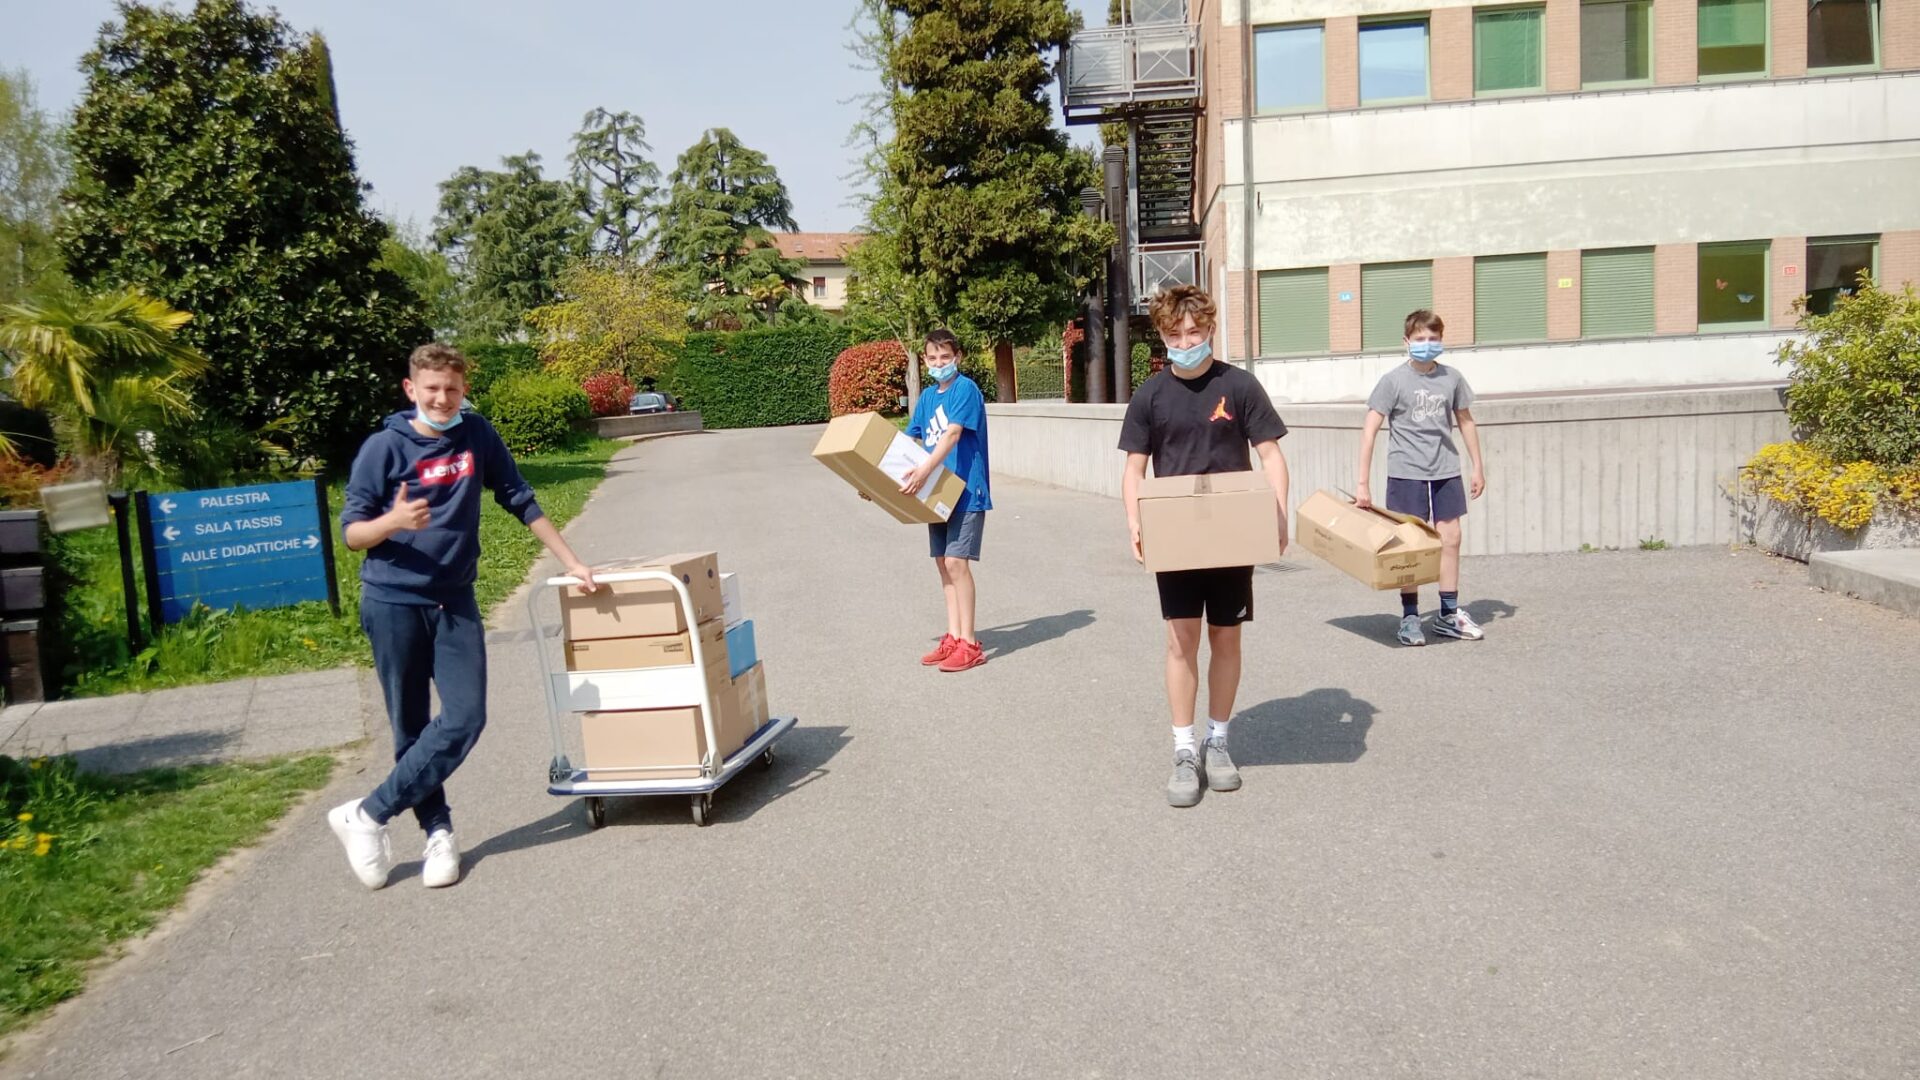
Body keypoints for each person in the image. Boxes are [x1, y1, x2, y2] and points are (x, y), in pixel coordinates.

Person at [328, 343, 599, 890]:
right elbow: (352, 533)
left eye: (452, 388)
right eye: (431, 389)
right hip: (392, 602)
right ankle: (438, 833)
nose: (442, 398)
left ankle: (366, 815)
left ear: (462, 388)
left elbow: (519, 496)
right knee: (409, 726)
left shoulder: (476, 435)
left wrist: (572, 562)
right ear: (411, 390)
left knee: (465, 717)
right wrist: (395, 520)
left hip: (454, 599)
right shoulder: (383, 448)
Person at [1119, 286, 1290, 808]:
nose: (1185, 341)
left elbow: (1270, 456)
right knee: (1180, 642)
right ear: (1163, 337)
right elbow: (1134, 468)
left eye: (1194, 332)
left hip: (1233, 534)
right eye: (1175, 334)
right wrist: (1136, 521)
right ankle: (1184, 748)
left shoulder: (1238, 386)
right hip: (1177, 536)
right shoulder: (1150, 395)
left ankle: (1218, 739)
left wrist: (1277, 512)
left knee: (1227, 639)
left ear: (1209, 328)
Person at [1355, 309, 1487, 647]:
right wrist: (1362, 483)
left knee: (1450, 539)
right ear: (1407, 342)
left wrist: (1477, 466)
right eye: (1420, 339)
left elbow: (1466, 421)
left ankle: (1448, 613)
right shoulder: (1393, 381)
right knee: (1410, 548)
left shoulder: (1452, 378)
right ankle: (1411, 616)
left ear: (1441, 340)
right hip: (1406, 473)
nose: (1426, 344)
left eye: (1433, 338)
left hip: (1445, 470)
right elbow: (1370, 430)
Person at [903, 329, 992, 673]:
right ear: (924, 360)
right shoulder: (926, 397)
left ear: (958, 357)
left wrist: (925, 468)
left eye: (945, 356)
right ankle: (954, 636)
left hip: (967, 489)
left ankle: (969, 643)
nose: (939, 363)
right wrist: (875, 477)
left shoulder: (964, 389)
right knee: (942, 562)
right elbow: (910, 438)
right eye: (932, 358)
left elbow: (953, 433)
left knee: (957, 563)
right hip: (936, 490)